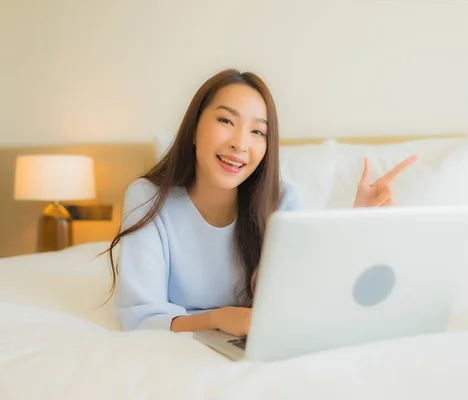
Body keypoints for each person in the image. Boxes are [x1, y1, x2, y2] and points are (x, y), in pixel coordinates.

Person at [106, 68, 417, 337]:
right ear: (194, 128)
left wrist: (358, 221)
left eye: (257, 131)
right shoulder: (148, 198)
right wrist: (216, 319)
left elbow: (313, 294)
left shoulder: (282, 200)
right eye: (226, 121)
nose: (240, 143)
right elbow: (141, 315)